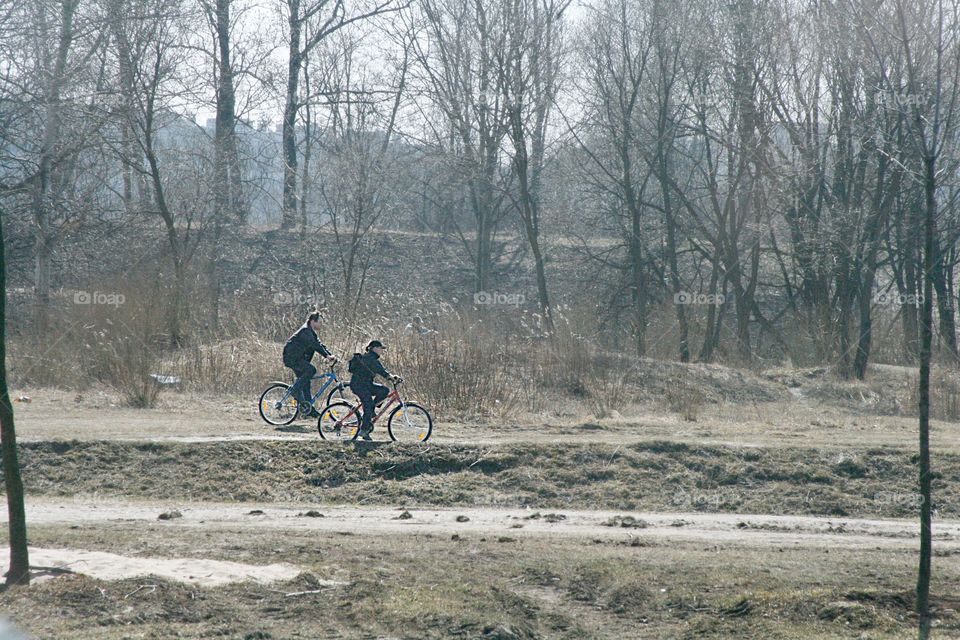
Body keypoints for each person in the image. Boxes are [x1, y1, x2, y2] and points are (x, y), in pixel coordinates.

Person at [283, 311, 336, 418]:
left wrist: (330, 355)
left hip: (298, 359)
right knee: (311, 370)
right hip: (292, 358)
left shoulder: (311, 332)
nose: (321, 325)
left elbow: (320, 344)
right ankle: (295, 390)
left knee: (306, 382)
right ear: (313, 322)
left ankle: (308, 408)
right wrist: (326, 356)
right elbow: (315, 345)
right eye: (320, 322)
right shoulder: (305, 331)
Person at [349, 340, 400, 440]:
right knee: (368, 404)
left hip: (367, 385)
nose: (382, 351)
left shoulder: (372, 358)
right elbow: (381, 371)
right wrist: (391, 377)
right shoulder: (370, 358)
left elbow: (381, 370)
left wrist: (391, 377)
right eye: (381, 348)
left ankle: (370, 412)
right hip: (358, 386)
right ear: (375, 348)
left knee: (384, 390)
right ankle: (364, 430)